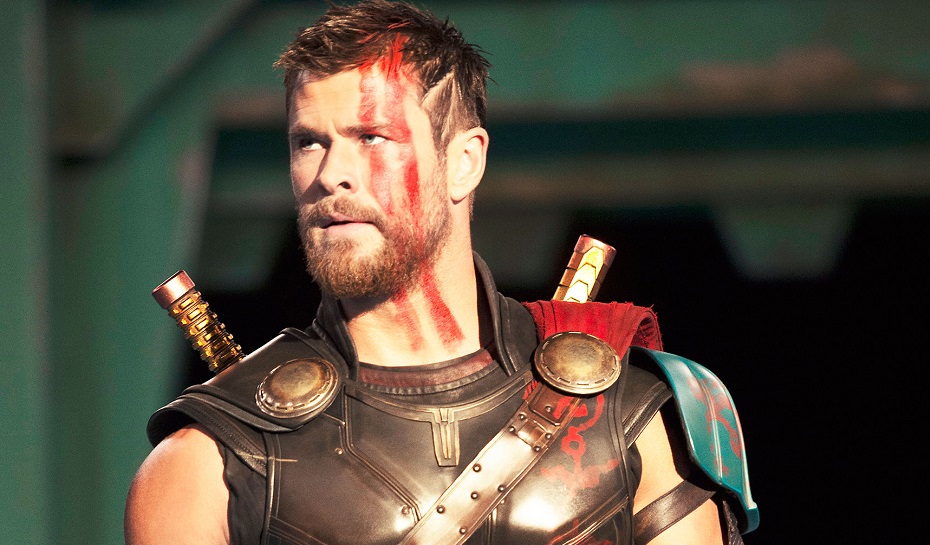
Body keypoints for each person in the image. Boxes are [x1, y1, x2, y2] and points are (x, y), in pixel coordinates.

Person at [124, 1, 758, 544]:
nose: (330, 174)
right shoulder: (207, 463)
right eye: (308, 142)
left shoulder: (636, 418)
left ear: (463, 162)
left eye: (371, 136)